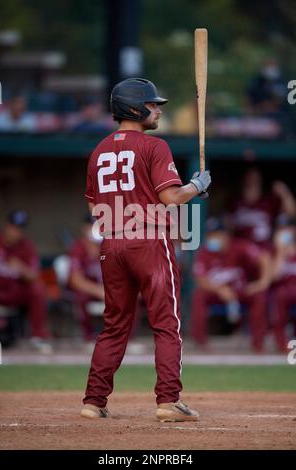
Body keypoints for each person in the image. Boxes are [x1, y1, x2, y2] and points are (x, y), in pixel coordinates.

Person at [81, 77, 211, 422]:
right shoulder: (155, 147)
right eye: (153, 105)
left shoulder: (98, 150)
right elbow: (170, 197)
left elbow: (96, 208)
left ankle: (93, 402)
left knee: (114, 326)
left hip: (111, 241)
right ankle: (168, 401)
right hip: (150, 241)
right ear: (135, 109)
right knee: (166, 323)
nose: (157, 110)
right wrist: (196, 186)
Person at [191, 217, 270, 352]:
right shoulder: (205, 251)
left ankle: (258, 344)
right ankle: (201, 344)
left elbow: (264, 258)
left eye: (216, 234)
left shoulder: (239, 246)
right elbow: (200, 279)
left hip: (240, 291)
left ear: (226, 235)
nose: (212, 238)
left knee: (259, 295)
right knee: (198, 295)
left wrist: (263, 282)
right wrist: (220, 289)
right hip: (216, 293)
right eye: (210, 235)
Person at [0, 210, 50, 352]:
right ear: (7, 226)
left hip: (15, 291)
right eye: (13, 227)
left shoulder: (27, 246)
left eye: (20, 229)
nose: (16, 232)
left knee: (37, 289)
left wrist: (20, 267)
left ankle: (38, 337)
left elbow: (34, 276)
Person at [228, 167, 296, 251]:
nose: (252, 183)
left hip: (263, 250)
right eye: (249, 179)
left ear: (260, 182)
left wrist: (285, 193)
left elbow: (291, 213)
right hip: (240, 250)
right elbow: (227, 225)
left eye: (255, 180)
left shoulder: (268, 201)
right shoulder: (235, 202)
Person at [68, 215, 105, 343]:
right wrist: (99, 291)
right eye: (91, 226)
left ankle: (127, 338)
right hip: (90, 291)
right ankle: (87, 336)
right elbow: (76, 281)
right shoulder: (78, 248)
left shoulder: (109, 245)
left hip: (107, 289)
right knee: (81, 296)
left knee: (129, 293)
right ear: (84, 228)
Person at [270, 216, 296, 352]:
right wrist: (281, 252)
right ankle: (282, 345)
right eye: (281, 229)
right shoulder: (275, 251)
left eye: (287, 228)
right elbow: (275, 276)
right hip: (284, 290)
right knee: (279, 295)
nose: (285, 232)